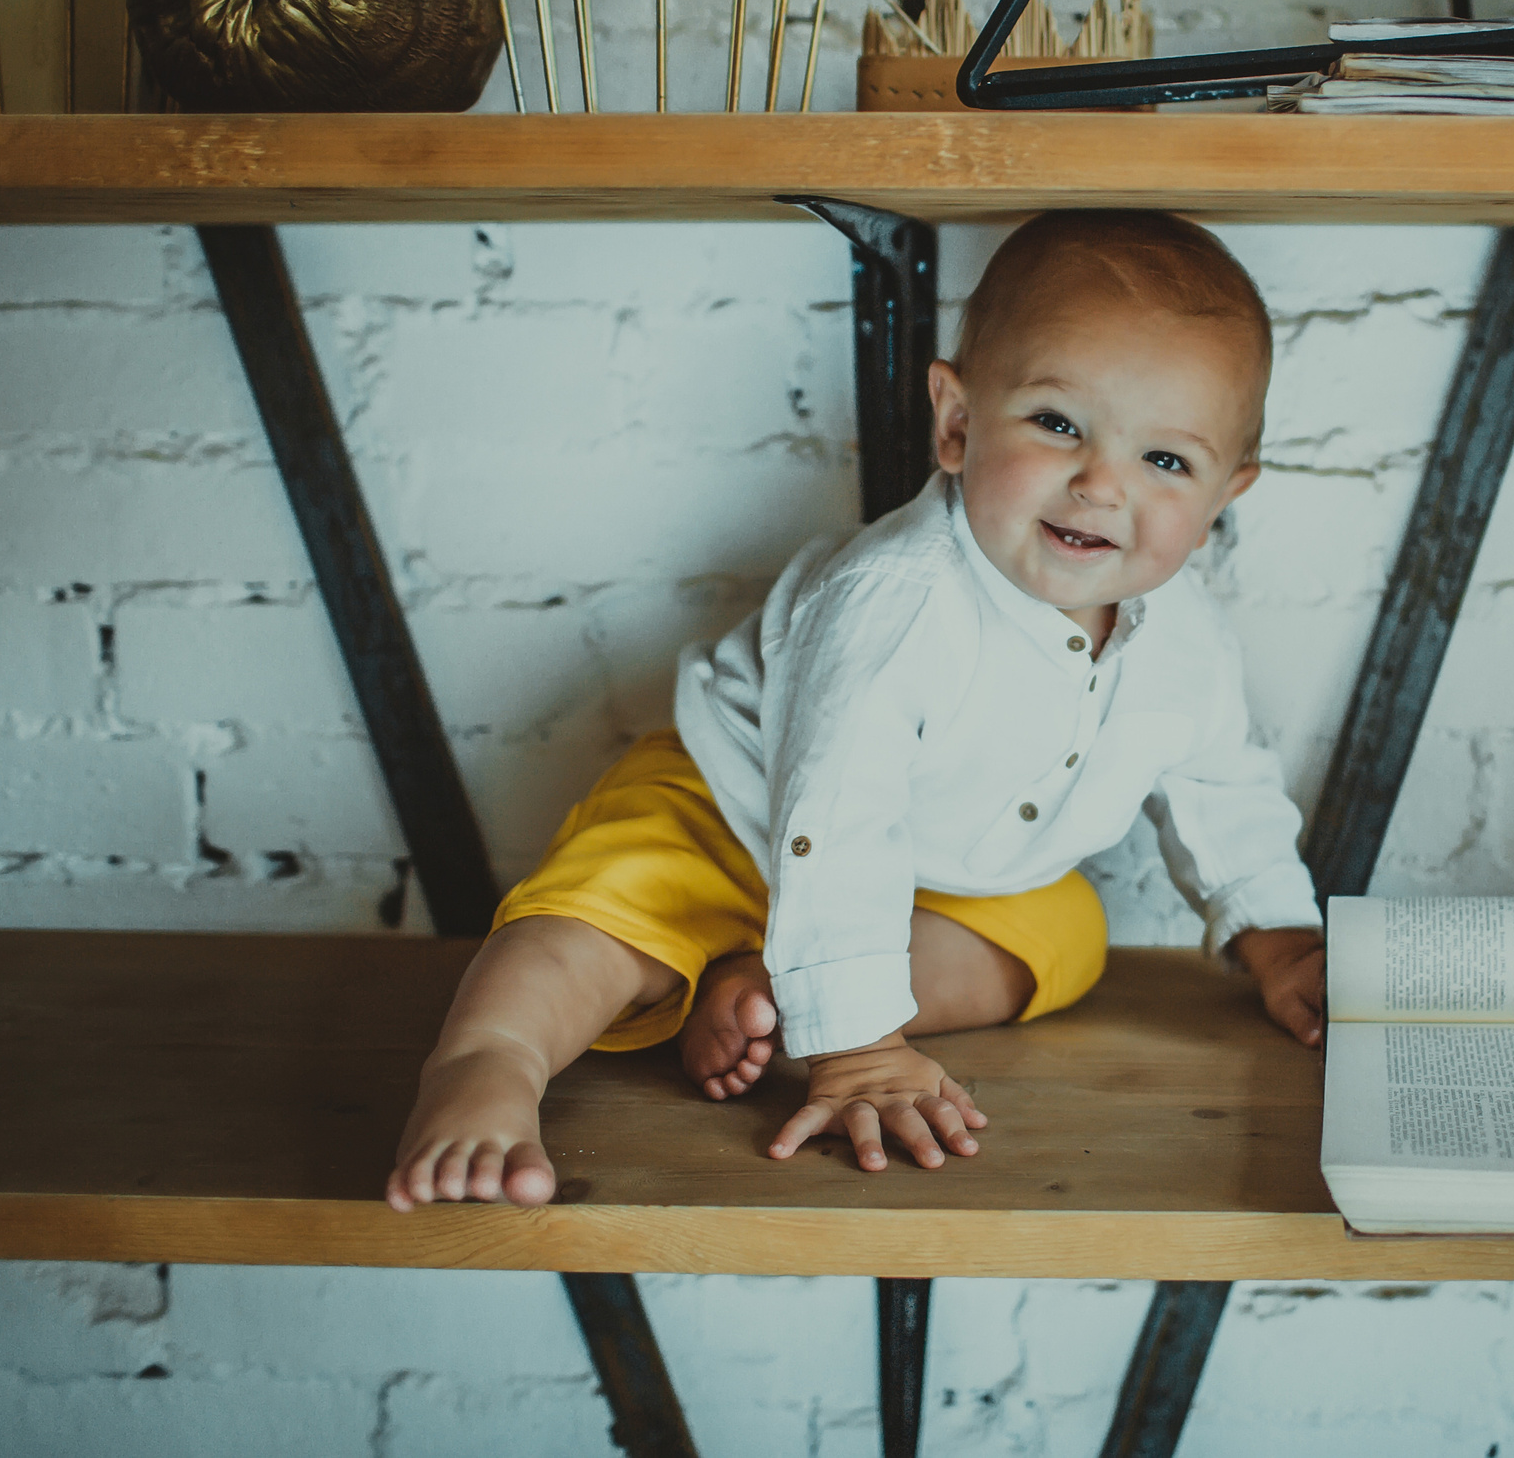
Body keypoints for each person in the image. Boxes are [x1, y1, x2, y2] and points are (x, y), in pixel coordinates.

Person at [386, 211, 1327, 1210]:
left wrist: (1276, 938)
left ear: (1227, 491)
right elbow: (835, 815)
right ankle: (487, 1062)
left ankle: (765, 985)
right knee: (608, 909)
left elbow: (1220, 781)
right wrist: (862, 1052)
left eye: (1166, 462)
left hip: (925, 876)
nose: (1101, 484)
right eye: (1058, 425)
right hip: (738, 811)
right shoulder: (898, 597)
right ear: (957, 421)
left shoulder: (1183, 635)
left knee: (1062, 931)